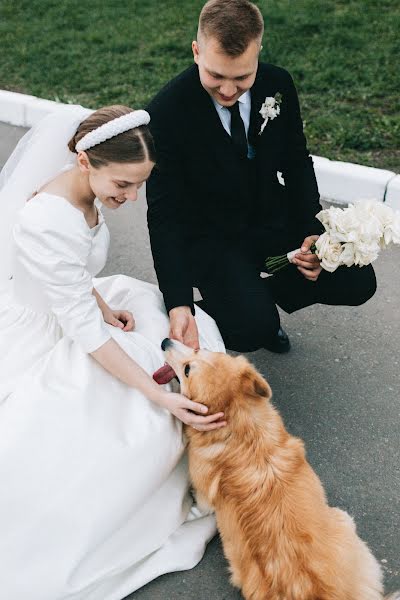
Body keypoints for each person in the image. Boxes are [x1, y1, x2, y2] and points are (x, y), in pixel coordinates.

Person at [0, 104, 226, 600]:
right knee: (137, 410)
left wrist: (103, 305)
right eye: (123, 185)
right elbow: (84, 331)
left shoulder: (85, 191)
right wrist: (157, 394)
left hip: (77, 309)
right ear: (85, 162)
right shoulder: (47, 218)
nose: (131, 196)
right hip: (52, 332)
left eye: (139, 185)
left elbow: (72, 274)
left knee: (180, 324)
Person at [146, 0, 377, 354]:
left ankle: (249, 307)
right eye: (216, 75)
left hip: (270, 217)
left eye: (241, 77)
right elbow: (163, 217)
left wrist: (311, 235)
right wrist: (178, 302)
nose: (227, 90)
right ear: (196, 52)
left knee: (357, 277)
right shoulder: (165, 113)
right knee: (253, 329)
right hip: (211, 237)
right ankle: (245, 316)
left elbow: (296, 163)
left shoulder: (277, 83)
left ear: (258, 54)